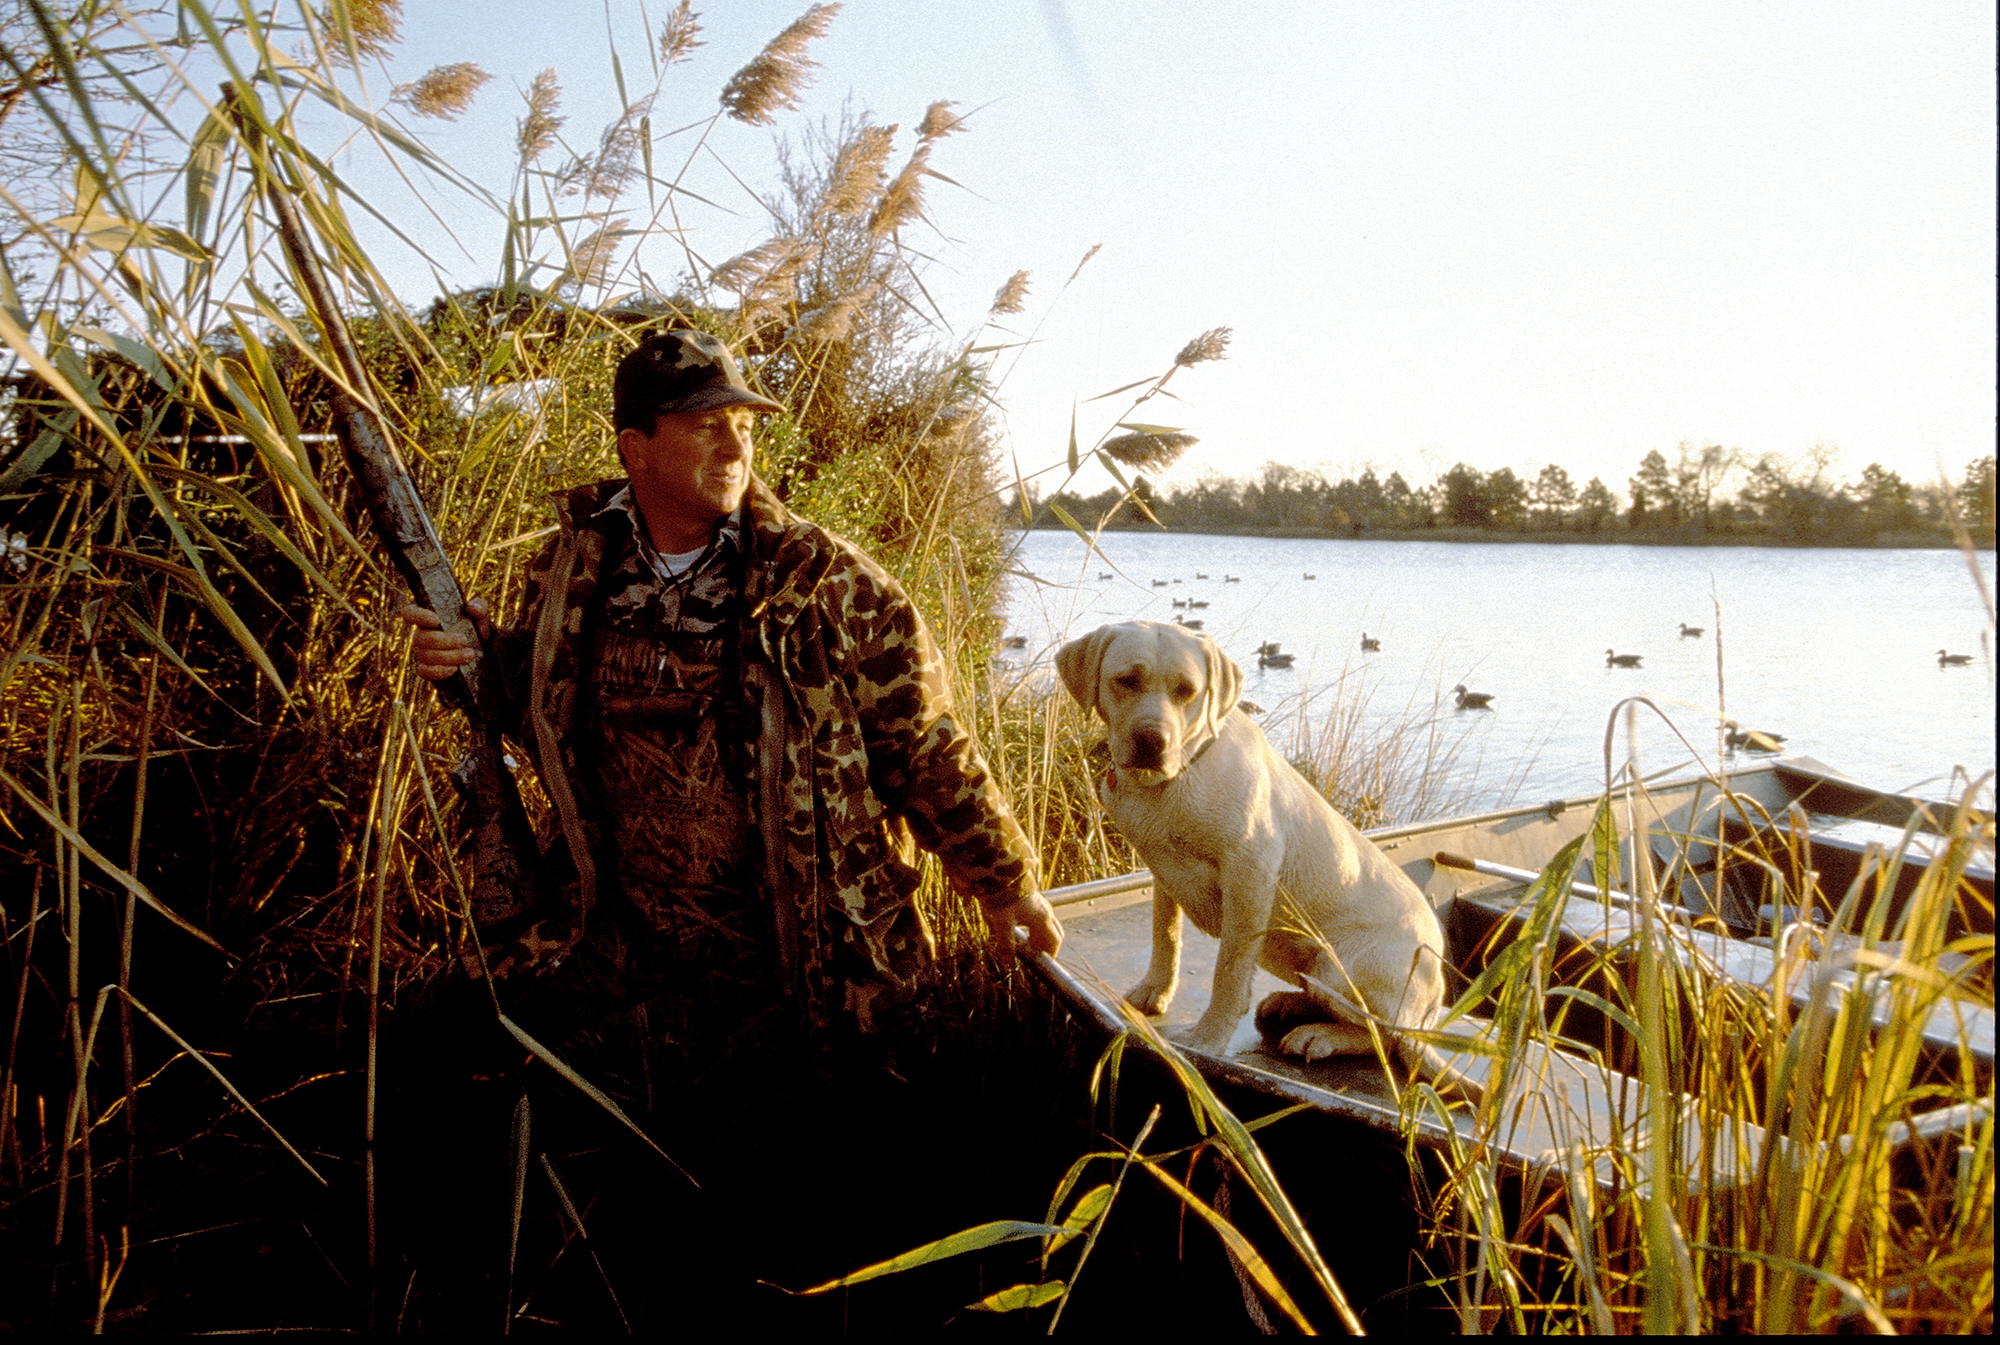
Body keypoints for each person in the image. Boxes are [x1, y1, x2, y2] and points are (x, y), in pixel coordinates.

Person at [400, 329, 1061, 1071]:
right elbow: (543, 712)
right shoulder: (568, 571)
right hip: (620, 931)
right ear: (635, 447)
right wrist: (474, 659)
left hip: (794, 952)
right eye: (706, 425)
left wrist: (1006, 882)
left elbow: (925, 745)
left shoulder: (823, 582)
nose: (734, 447)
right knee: (447, 1035)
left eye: (743, 428)